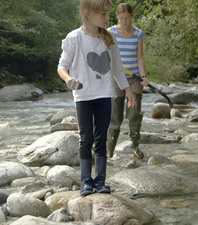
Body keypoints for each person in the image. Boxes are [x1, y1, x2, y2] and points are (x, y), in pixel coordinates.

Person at [57, 0, 135, 197]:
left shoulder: (109, 39)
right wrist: (68, 79)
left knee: (101, 137)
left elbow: (117, 68)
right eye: (103, 13)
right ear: (87, 13)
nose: (107, 17)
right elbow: (61, 66)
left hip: (104, 93)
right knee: (86, 138)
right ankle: (86, 182)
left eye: (108, 13)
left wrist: (128, 90)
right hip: (83, 95)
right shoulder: (74, 38)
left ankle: (100, 181)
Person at [107, 3, 150, 159]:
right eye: (121, 18)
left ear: (132, 16)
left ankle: (135, 146)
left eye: (127, 18)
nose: (124, 21)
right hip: (116, 78)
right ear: (117, 17)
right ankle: (109, 151)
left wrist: (143, 76)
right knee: (115, 117)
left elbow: (140, 57)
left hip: (134, 78)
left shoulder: (138, 34)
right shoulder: (110, 32)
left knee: (134, 114)